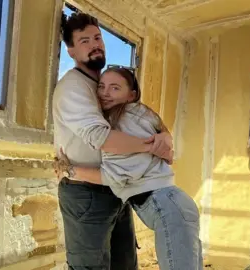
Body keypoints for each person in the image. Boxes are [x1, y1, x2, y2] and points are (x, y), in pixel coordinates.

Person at [53, 12, 174, 269]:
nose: (95, 44)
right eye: (84, 40)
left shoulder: (105, 84)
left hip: (117, 187)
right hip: (86, 192)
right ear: (71, 51)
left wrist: (164, 134)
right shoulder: (73, 87)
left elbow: (140, 115)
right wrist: (153, 147)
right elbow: (102, 138)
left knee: (125, 264)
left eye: (97, 37)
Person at [54, 65, 203, 270]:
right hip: (173, 206)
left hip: (169, 210)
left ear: (131, 95)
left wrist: (70, 170)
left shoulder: (125, 120)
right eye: (102, 86)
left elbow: (115, 177)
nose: (105, 93)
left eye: (115, 88)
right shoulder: (134, 115)